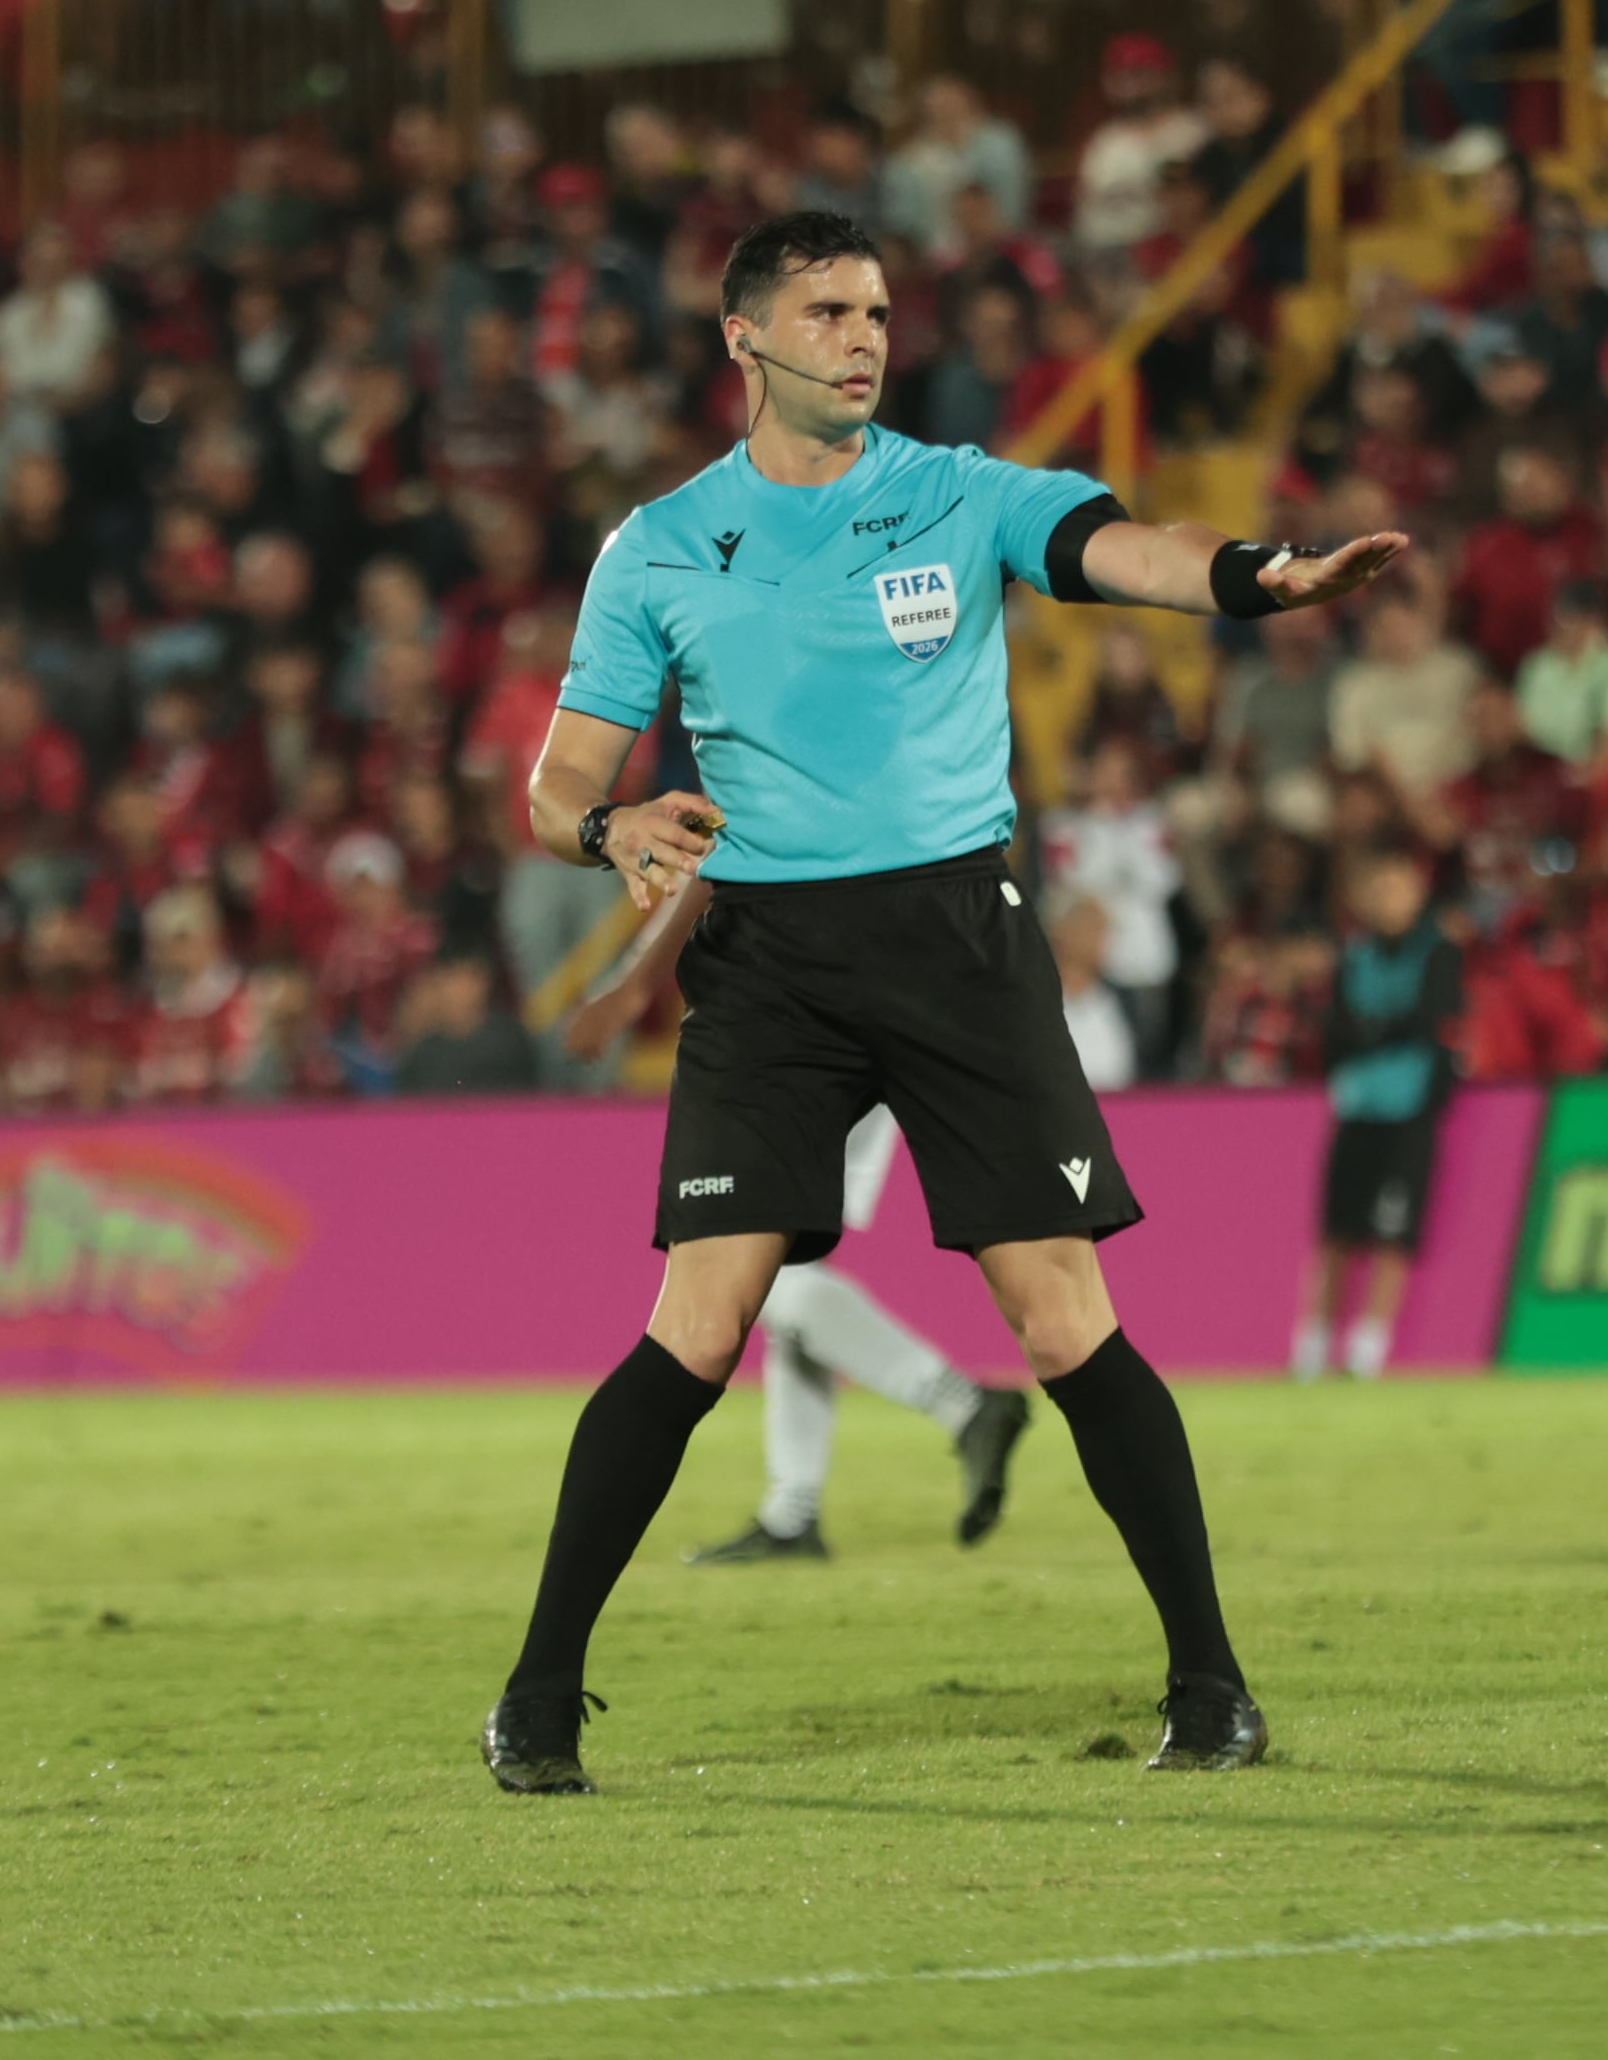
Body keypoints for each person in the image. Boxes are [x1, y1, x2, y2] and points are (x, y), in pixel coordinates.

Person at [483, 211, 1405, 1792]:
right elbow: (558, 781)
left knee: (1062, 1321)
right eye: (831, 310)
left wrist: (1258, 577)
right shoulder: (655, 546)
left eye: (880, 311)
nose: (865, 336)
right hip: (769, 967)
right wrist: (607, 826)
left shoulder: (959, 491)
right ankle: (539, 1698)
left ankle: (1210, 1687)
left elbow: (1129, 554)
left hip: (959, 949)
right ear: (745, 339)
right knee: (696, 1333)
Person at [558, 873, 1038, 1565]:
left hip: (819, 1023)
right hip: (872, 1003)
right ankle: (794, 1512)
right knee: (779, 1267)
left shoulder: (781, 786)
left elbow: (720, 853)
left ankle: (961, 1404)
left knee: (750, 1271)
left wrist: (634, 984)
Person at [1294, 846, 1462, 1383]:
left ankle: (1367, 1353)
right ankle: (1311, 1350)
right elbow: (1334, 1030)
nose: (1387, 900)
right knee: (1336, 1234)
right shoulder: (1354, 955)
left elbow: (1429, 1020)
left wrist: (1371, 1032)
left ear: (1418, 895)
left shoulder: (1438, 952)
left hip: (1408, 1113)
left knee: (1394, 1235)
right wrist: (1376, 1034)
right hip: (1358, 1108)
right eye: (1379, 890)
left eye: (1398, 888)